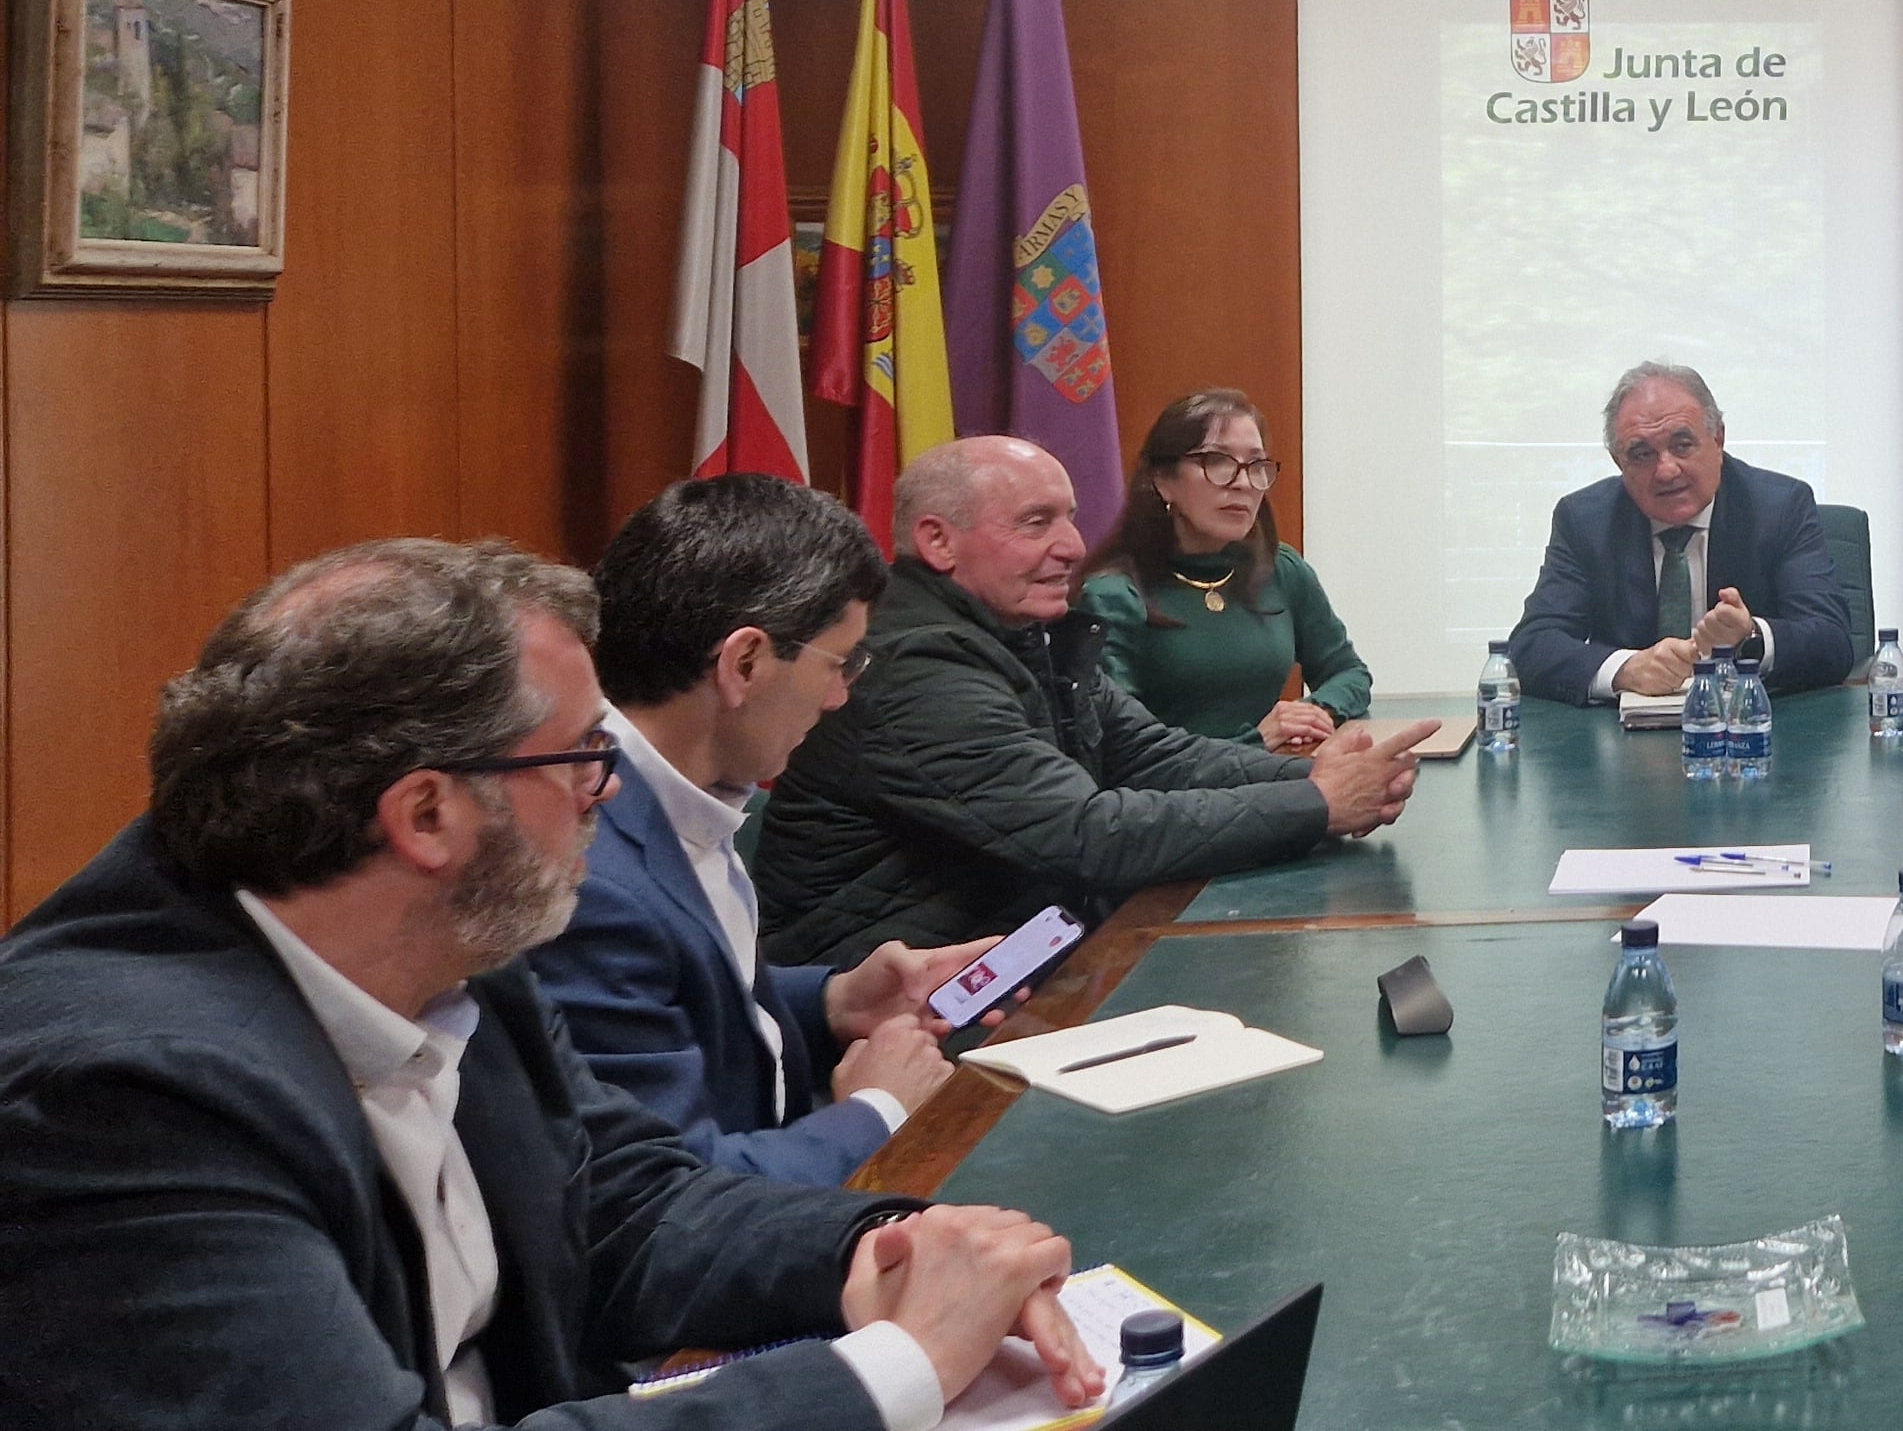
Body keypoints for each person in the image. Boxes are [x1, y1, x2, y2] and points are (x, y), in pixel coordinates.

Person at [0, 536, 1102, 1428]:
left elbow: (620, 1203)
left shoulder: (456, 949)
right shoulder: (127, 1097)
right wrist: (895, 1368)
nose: (604, 792)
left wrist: (883, 1250)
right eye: (581, 756)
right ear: (426, 812)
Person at [758, 437, 1435, 969]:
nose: (1073, 546)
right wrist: (1317, 803)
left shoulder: (1023, 633)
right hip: (903, 1002)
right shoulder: (916, 667)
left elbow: (1150, 753)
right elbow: (1083, 835)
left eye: (1071, 519)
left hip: (1011, 954)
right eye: (1035, 523)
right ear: (938, 541)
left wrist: (1319, 778)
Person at [531, 474, 998, 1186]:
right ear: (744, 663)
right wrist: (878, 1109)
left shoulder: (681, 795)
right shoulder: (585, 873)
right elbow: (669, 1194)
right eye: (839, 663)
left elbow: (680, 997)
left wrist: (833, 1002)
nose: (842, 696)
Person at [1508, 361, 1851, 707]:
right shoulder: (1585, 521)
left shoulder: (1779, 507)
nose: (1666, 470)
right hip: (1625, 744)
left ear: (1718, 439)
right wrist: (1626, 669)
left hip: (1751, 735)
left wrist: (1751, 636)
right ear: (1618, 461)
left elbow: (1832, 639)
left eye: (1682, 445)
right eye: (1642, 455)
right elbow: (1532, 645)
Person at [1078, 388, 1373, 750]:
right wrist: (1255, 742)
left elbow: (1348, 672)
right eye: (1217, 462)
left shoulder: (1281, 569)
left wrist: (1317, 711)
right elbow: (1124, 748)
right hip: (1174, 799)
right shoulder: (1112, 596)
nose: (1243, 482)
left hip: (1278, 783)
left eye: (1256, 465)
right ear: (1162, 480)